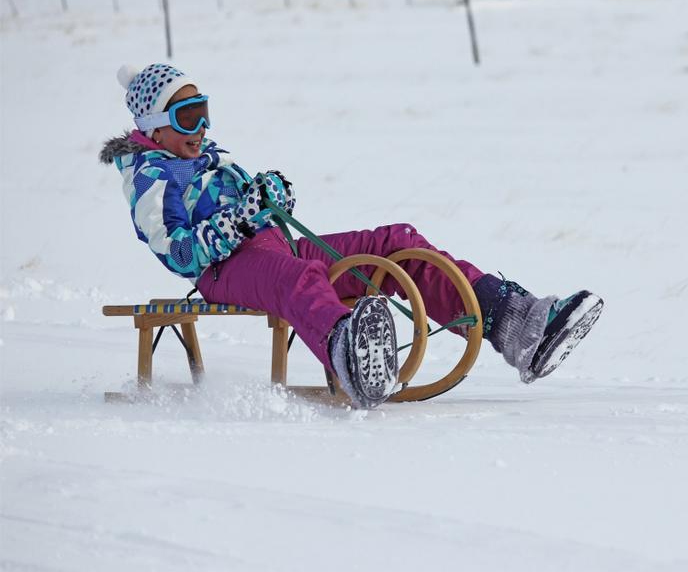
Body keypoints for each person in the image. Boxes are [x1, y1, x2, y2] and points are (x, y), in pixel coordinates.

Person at [100, 63, 604, 409]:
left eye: (205, 111)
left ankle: (517, 324)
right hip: (223, 269)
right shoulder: (150, 179)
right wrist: (241, 222)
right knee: (297, 277)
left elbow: (257, 217)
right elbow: (179, 253)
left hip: (274, 247)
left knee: (397, 241)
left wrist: (267, 199)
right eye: (188, 115)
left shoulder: (212, 159)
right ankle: (351, 355)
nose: (202, 125)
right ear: (156, 126)